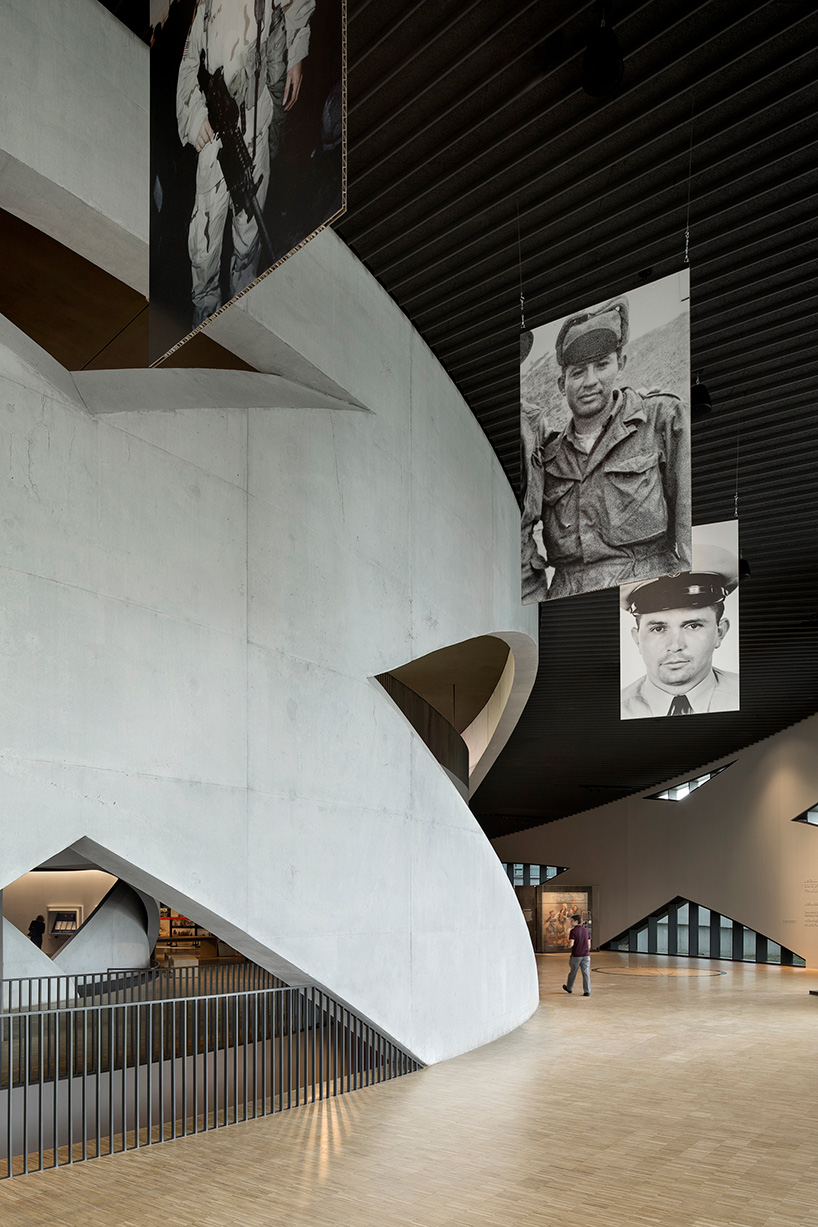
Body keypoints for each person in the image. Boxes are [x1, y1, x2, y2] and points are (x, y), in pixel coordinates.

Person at [521, 295, 691, 601]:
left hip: (647, 590)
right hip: (569, 600)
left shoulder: (661, 419)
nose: (591, 381)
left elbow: (689, 527)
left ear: (620, 364)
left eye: (602, 365)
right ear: (562, 384)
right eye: (577, 372)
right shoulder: (548, 455)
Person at [176, 0, 315, 328]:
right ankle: (206, 322)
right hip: (214, 125)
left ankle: (242, 318)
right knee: (203, 243)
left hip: (254, 119)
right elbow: (188, 59)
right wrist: (193, 114)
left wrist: (296, 53)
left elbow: (296, 6)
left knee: (249, 231)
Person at [620, 545, 739, 719]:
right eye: (658, 629)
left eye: (693, 626)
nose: (675, 646)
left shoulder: (754, 698)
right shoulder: (616, 709)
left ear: (720, 633)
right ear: (637, 639)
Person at [562, 914, 591, 996]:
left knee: (573, 972)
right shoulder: (586, 931)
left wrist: (566, 946)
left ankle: (569, 988)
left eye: (572, 921)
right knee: (586, 973)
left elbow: (571, 944)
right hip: (586, 955)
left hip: (576, 955)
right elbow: (589, 945)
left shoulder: (573, 931)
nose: (571, 923)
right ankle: (587, 991)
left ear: (576, 921)